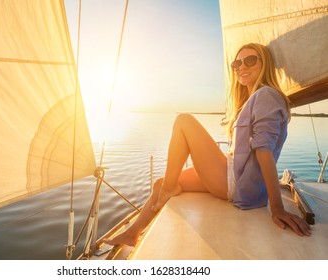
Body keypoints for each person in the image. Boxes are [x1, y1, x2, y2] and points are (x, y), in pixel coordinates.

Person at [105, 43, 311, 247]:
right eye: (236, 63)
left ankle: (169, 189)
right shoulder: (252, 99)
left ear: (264, 64)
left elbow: (263, 150)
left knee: (183, 121)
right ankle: (132, 233)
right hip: (234, 173)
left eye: (250, 60)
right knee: (160, 184)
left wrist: (277, 207)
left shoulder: (266, 95)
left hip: (236, 183)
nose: (241, 66)